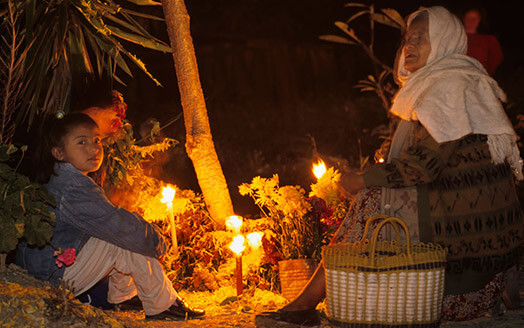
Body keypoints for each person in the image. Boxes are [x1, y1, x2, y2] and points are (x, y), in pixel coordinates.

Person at [258, 6, 523, 325]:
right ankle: (314, 299)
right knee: (379, 196)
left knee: (373, 199)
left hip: (454, 289)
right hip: (481, 278)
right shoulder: (462, 79)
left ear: (443, 41)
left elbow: (423, 166)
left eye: (420, 38)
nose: (408, 46)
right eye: (407, 38)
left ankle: (307, 303)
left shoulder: (449, 87)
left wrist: (362, 179)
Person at [16, 113, 205, 321]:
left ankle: (124, 297)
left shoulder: (62, 177)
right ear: (58, 153)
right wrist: (157, 240)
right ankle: (163, 305)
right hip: (52, 279)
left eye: (97, 140)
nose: (94, 148)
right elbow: (119, 226)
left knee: (119, 234)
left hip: (47, 273)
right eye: (82, 142)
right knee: (127, 237)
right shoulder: (73, 187)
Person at [460, 5, 503, 76]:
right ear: (463, 19)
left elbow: (497, 57)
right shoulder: (457, 37)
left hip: (480, 76)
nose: (470, 22)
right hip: (459, 75)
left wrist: (486, 72)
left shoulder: (488, 39)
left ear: (480, 20)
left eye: (474, 19)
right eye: (468, 18)